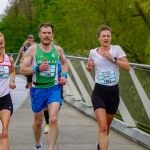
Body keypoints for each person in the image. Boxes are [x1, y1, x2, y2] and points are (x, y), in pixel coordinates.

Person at [20, 23, 68, 150]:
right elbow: (23, 70)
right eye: (44, 33)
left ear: (52, 35)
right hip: (38, 89)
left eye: (49, 33)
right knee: (38, 121)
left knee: (53, 120)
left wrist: (64, 76)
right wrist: (37, 68)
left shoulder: (58, 50)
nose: (46, 35)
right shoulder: (33, 50)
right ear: (39, 34)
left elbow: (65, 63)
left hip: (54, 88)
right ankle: (37, 144)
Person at [86, 25, 130, 150]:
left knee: (107, 126)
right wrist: (88, 67)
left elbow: (127, 67)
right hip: (99, 92)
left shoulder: (117, 50)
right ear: (99, 38)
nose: (106, 38)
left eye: (108, 36)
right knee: (103, 126)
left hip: (113, 93)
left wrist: (112, 58)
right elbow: (89, 66)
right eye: (103, 36)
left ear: (111, 37)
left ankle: (100, 145)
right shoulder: (93, 52)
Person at [0, 32, 16, 150]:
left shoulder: (9, 59)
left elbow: (12, 71)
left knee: (4, 133)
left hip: (5, 99)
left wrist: (12, 81)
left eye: (1, 43)